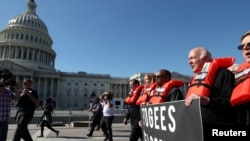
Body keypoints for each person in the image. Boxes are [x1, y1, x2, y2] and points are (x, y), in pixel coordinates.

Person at [185, 47, 238, 141]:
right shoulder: (194, 79)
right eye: (189, 59)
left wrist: (207, 100)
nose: (189, 62)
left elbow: (229, 102)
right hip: (198, 131)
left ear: (205, 59)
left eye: (193, 58)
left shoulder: (224, 74)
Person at [230, 30, 250, 130]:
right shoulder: (236, 70)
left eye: (249, 44)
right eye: (242, 46)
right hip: (239, 116)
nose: (245, 48)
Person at [0, 69, 19, 141]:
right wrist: (1, 85)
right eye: (5, 79)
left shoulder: (8, 91)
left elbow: (17, 99)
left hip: (5, 121)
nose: (6, 81)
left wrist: (16, 89)